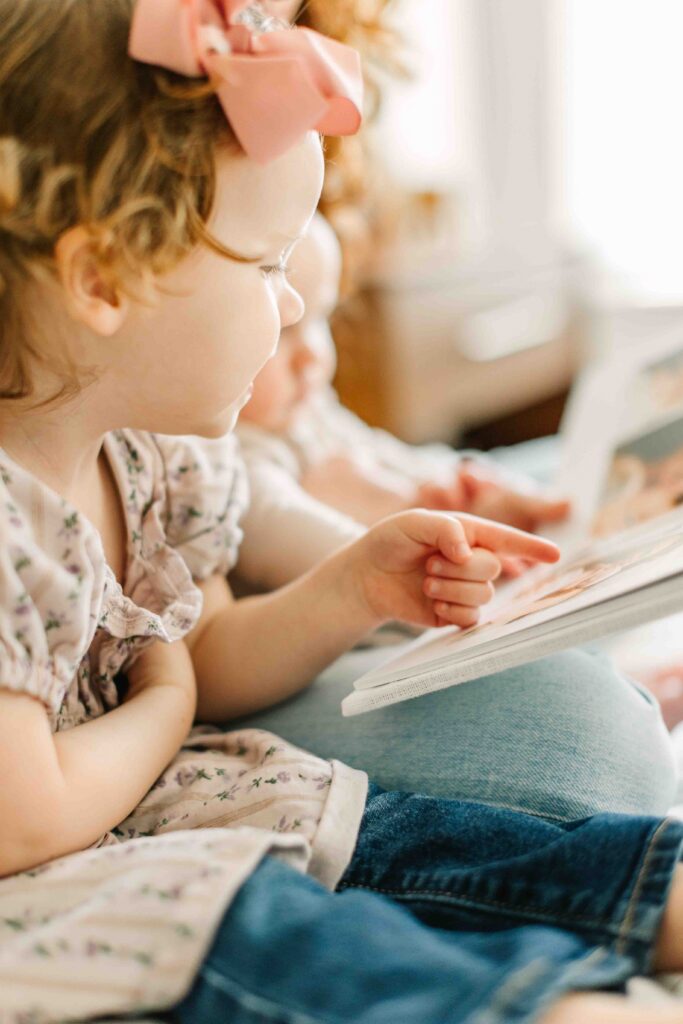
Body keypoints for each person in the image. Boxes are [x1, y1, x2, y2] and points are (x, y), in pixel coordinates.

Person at [0, 3, 679, 1024]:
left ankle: (646, 893)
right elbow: (27, 816)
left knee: (408, 832)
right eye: (267, 266)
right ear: (104, 276)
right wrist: (166, 702)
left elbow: (216, 644)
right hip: (62, 889)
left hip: (189, 798)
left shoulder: (150, 462)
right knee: (282, 938)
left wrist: (348, 590)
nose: (286, 309)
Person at [236, 213, 571, 592]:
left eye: (321, 318)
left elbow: (388, 452)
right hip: (385, 612)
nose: (312, 354)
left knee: (556, 476)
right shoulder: (237, 460)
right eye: (284, 331)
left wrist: (457, 490)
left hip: (426, 560)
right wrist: (423, 533)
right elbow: (337, 559)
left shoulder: (306, 410)